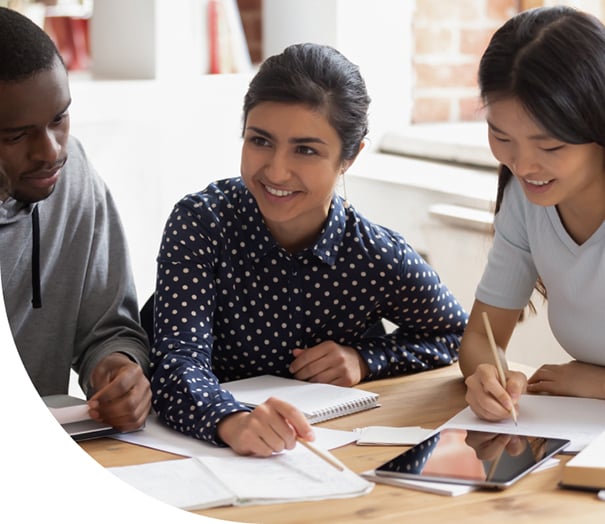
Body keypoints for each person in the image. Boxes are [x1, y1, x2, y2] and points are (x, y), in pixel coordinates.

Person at [150, 42, 467, 456]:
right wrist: (230, 421)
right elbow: (176, 362)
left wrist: (365, 359)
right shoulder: (202, 223)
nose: (277, 170)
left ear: (349, 157)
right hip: (201, 450)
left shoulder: (373, 254)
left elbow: (456, 334)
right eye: (260, 140)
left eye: (306, 150)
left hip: (331, 453)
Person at [0, 7, 151, 432]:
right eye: (15, 135)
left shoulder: (72, 175)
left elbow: (108, 329)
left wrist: (116, 367)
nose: (50, 151)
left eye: (59, 118)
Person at [459, 6, 605, 423]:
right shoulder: (526, 200)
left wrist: (595, 384)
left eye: (550, 147)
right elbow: (480, 337)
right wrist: (489, 375)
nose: (522, 166)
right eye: (500, 136)